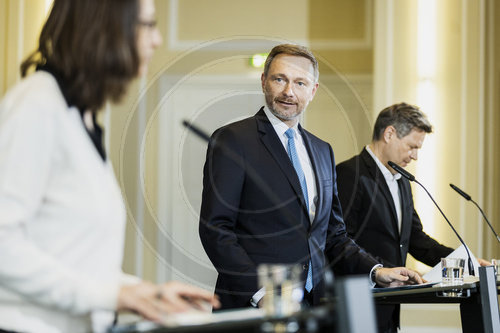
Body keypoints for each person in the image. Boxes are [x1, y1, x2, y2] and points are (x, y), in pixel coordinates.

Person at [0, 1, 218, 332]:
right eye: (147, 25)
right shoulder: (37, 105)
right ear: (106, 28)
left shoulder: (79, 116)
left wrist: (144, 292)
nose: (157, 39)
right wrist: (111, 294)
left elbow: (73, 256)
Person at [199, 44, 423, 311]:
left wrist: (376, 271)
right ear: (263, 81)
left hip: (313, 308)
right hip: (252, 308)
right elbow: (216, 229)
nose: (288, 92)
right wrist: (261, 292)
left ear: (313, 90)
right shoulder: (233, 140)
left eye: (300, 83)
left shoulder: (322, 151)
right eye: (279, 79)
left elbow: (334, 235)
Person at [335, 102, 455, 333]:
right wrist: (380, 270)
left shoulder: (402, 182)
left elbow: (416, 240)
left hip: (390, 306)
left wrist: (464, 261)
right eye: (412, 146)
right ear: (389, 133)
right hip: (357, 303)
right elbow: (340, 241)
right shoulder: (350, 174)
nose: (415, 156)